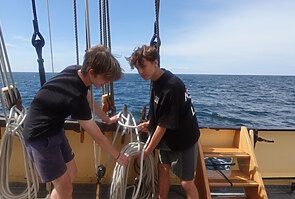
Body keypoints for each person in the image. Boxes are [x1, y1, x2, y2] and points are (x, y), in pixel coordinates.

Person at [22, 45, 130, 199]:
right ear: (92, 72)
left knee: (71, 174)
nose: (107, 82)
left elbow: (88, 96)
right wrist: (117, 156)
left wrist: (106, 119)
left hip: (55, 130)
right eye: (105, 78)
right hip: (40, 138)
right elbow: (97, 136)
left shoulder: (76, 71)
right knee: (66, 190)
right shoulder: (74, 97)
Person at [129, 45, 200, 199]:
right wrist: (150, 123)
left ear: (155, 62)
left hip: (184, 138)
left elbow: (162, 127)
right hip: (168, 136)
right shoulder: (156, 79)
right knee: (163, 170)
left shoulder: (171, 87)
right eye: (137, 68)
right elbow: (162, 112)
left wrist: (146, 152)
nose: (141, 72)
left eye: (143, 66)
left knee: (186, 183)